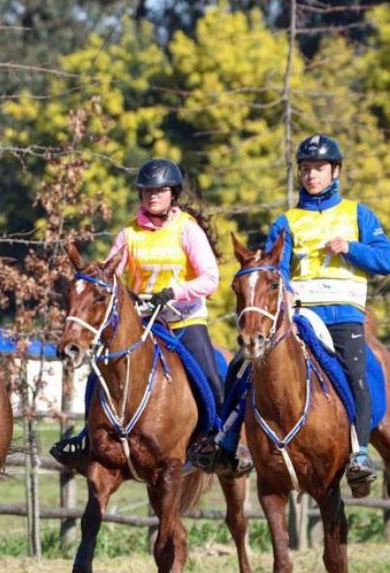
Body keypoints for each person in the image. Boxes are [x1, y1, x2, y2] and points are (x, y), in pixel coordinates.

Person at [204, 134, 390, 497]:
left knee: (356, 370)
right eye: (306, 169)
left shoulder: (357, 214)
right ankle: (226, 442)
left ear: (335, 171)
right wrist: (286, 290)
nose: (312, 176)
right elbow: (278, 267)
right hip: (302, 313)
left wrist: (351, 248)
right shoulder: (287, 220)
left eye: (319, 169)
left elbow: (387, 260)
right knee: (243, 367)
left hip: (343, 313)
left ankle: (358, 453)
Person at [51, 159, 252, 478]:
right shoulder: (128, 234)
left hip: (184, 320)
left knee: (209, 376)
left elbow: (211, 278)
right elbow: (109, 277)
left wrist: (175, 292)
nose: (152, 196)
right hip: (144, 323)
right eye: (146, 191)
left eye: (159, 190)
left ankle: (219, 443)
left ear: (173, 193)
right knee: (101, 371)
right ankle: (85, 438)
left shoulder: (187, 229)